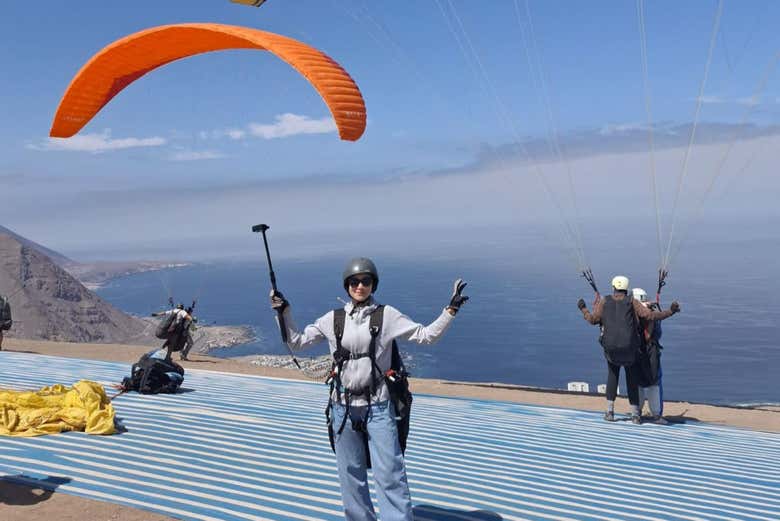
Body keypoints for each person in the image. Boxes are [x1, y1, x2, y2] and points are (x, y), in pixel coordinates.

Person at [269, 257, 468, 521]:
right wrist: (284, 312)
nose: (359, 286)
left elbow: (425, 336)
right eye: (354, 282)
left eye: (365, 281)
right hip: (342, 408)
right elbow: (297, 342)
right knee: (350, 477)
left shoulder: (387, 316)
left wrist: (450, 310)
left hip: (378, 406)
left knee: (390, 474)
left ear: (373, 284)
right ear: (346, 286)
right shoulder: (333, 319)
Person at [578, 275, 679, 424]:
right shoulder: (632, 302)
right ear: (627, 288)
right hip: (630, 351)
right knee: (632, 379)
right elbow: (651, 316)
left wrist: (583, 308)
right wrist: (671, 311)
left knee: (613, 376)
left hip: (611, 350)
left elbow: (593, 320)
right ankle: (635, 415)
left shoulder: (605, 301)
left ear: (613, 287)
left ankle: (610, 412)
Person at [632, 288, 668, 425]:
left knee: (637, 383)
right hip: (650, 352)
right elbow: (657, 334)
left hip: (635, 353)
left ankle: (636, 413)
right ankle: (657, 415)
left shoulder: (628, 313)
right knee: (654, 382)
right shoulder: (651, 314)